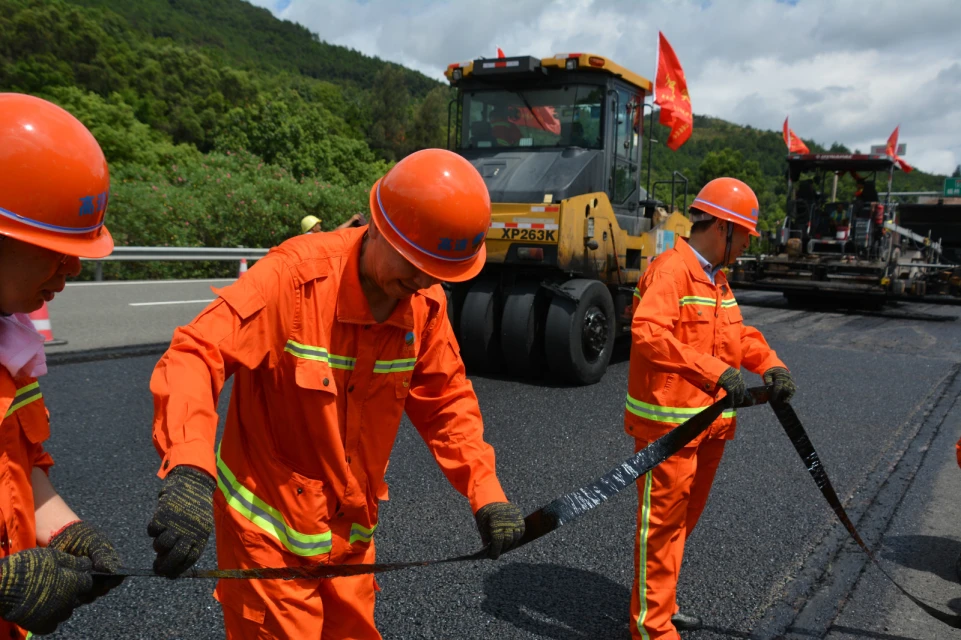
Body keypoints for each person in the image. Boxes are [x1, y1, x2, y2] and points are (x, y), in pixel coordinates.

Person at [147, 148, 525, 639]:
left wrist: (486, 494)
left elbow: (448, 403)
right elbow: (195, 354)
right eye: (413, 264)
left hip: (350, 542)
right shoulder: (293, 280)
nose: (420, 282)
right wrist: (190, 468)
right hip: (267, 542)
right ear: (376, 225)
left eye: (436, 274)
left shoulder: (424, 305)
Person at [625, 177, 797, 639]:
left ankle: (662, 605)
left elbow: (739, 337)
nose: (745, 247)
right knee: (660, 531)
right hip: (670, 428)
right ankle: (651, 629)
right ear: (722, 228)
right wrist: (714, 372)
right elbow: (648, 333)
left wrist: (772, 366)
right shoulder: (670, 271)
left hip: (709, 426)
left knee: (682, 525)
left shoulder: (716, 279)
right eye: (744, 237)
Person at [0, 93, 124, 638]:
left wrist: (67, 531)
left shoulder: (10, 344)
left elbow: (18, 470)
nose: (72, 269)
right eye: (53, 248)